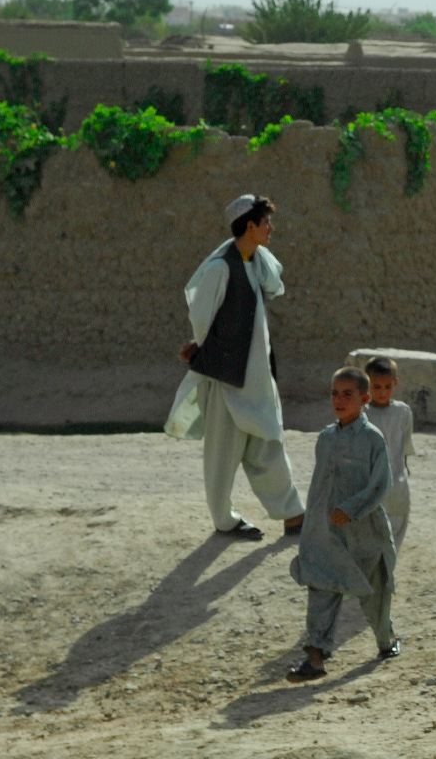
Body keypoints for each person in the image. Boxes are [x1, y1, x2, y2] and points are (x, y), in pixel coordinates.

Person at [164, 194, 305, 541]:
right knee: (222, 455)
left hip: (256, 376)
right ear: (250, 225)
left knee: (269, 440)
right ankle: (224, 520)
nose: (271, 228)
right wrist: (203, 350)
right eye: (265, 222)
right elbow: (201, 316)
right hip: (227, 377)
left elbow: (275, 284)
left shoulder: (254, 261)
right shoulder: (220, 268)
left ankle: (293, 514)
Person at [286, 366, 400, 682]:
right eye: (334, 393)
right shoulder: (325, 439)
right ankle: (315, 657)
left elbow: (380, 485)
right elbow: (318, 487)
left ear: (364, 399)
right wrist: (313, 528)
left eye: (347, 394)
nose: (339, 399)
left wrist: (351, 509)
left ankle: (385, 641)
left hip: (366, 534)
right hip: (329, 533)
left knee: (375, 592)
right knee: (322, 585)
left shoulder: (372, 440)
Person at [363, 356, 416, 550]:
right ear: (367, 385)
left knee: (397, 528)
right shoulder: (362, 413)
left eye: (387, 386)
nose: (382, 392)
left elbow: (405, 445)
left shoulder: (403, 412)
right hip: (371, 483)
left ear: (395, 383)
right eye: (376, 387)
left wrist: (403, 469)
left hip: (397, 483)